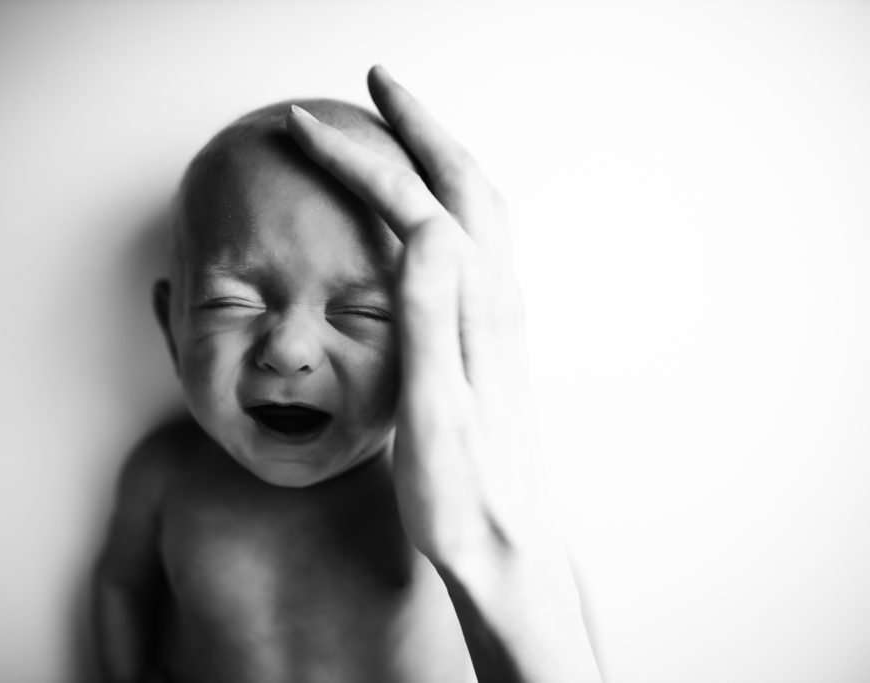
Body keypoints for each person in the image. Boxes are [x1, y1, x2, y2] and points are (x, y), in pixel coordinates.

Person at [92, 65, 603, 683]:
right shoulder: (166, 473)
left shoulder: (457, 489)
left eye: (362, 311)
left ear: (429, 336)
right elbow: (122, 585)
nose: (289, 350)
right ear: (170, 330)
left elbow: (552, 598)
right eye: (233, 303)